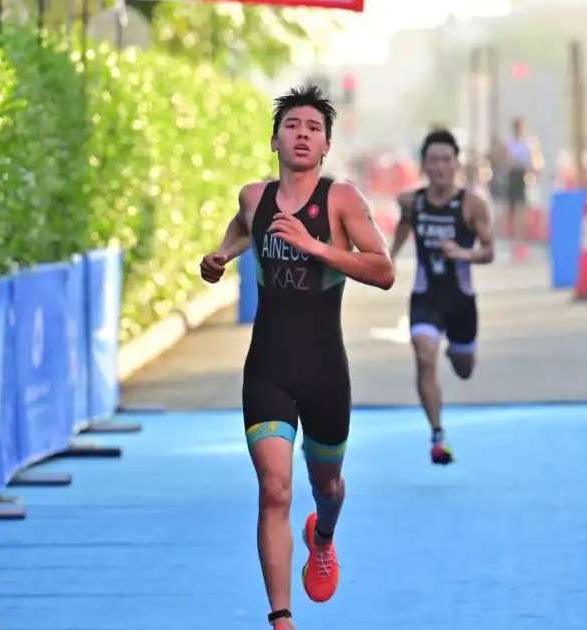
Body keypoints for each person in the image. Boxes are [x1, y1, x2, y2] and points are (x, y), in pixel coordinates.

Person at [199, 85, 395, 630]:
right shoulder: (253, 197)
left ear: (326, 144)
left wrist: (317, 248)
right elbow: (244, 229)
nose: (302, 134)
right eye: (292, 125)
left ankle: (323, 536)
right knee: (274, 487)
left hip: (324, 368)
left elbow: (383, 270)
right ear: (274, 140)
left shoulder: (341, 200)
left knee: (326, 486)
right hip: (269, 366)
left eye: (313, 127)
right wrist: (220, 256)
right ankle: (281, 618)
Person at [390, 129, 495, 465]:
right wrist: (388, 258)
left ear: (456, 164)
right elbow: (403, 228)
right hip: (426, 297)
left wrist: (463, 254)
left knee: (464, 369)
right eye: (433, 160)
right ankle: (437, 434)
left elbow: (489, 251)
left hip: (461, 301)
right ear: (424, 165)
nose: (439, 167)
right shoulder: (412, 202)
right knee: (424, 357)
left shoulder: (471, 204)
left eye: (446, 160)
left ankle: (458, 352)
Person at [503, 117, 544, 261]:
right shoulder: (510, 143)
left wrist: (532, 168)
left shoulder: (529, 143)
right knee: (513, 211)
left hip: (524, 178)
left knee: (523, 211)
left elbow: (536, 162)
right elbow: (507, 161)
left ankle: (522, 243)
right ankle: (515, 243)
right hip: (513, 177)